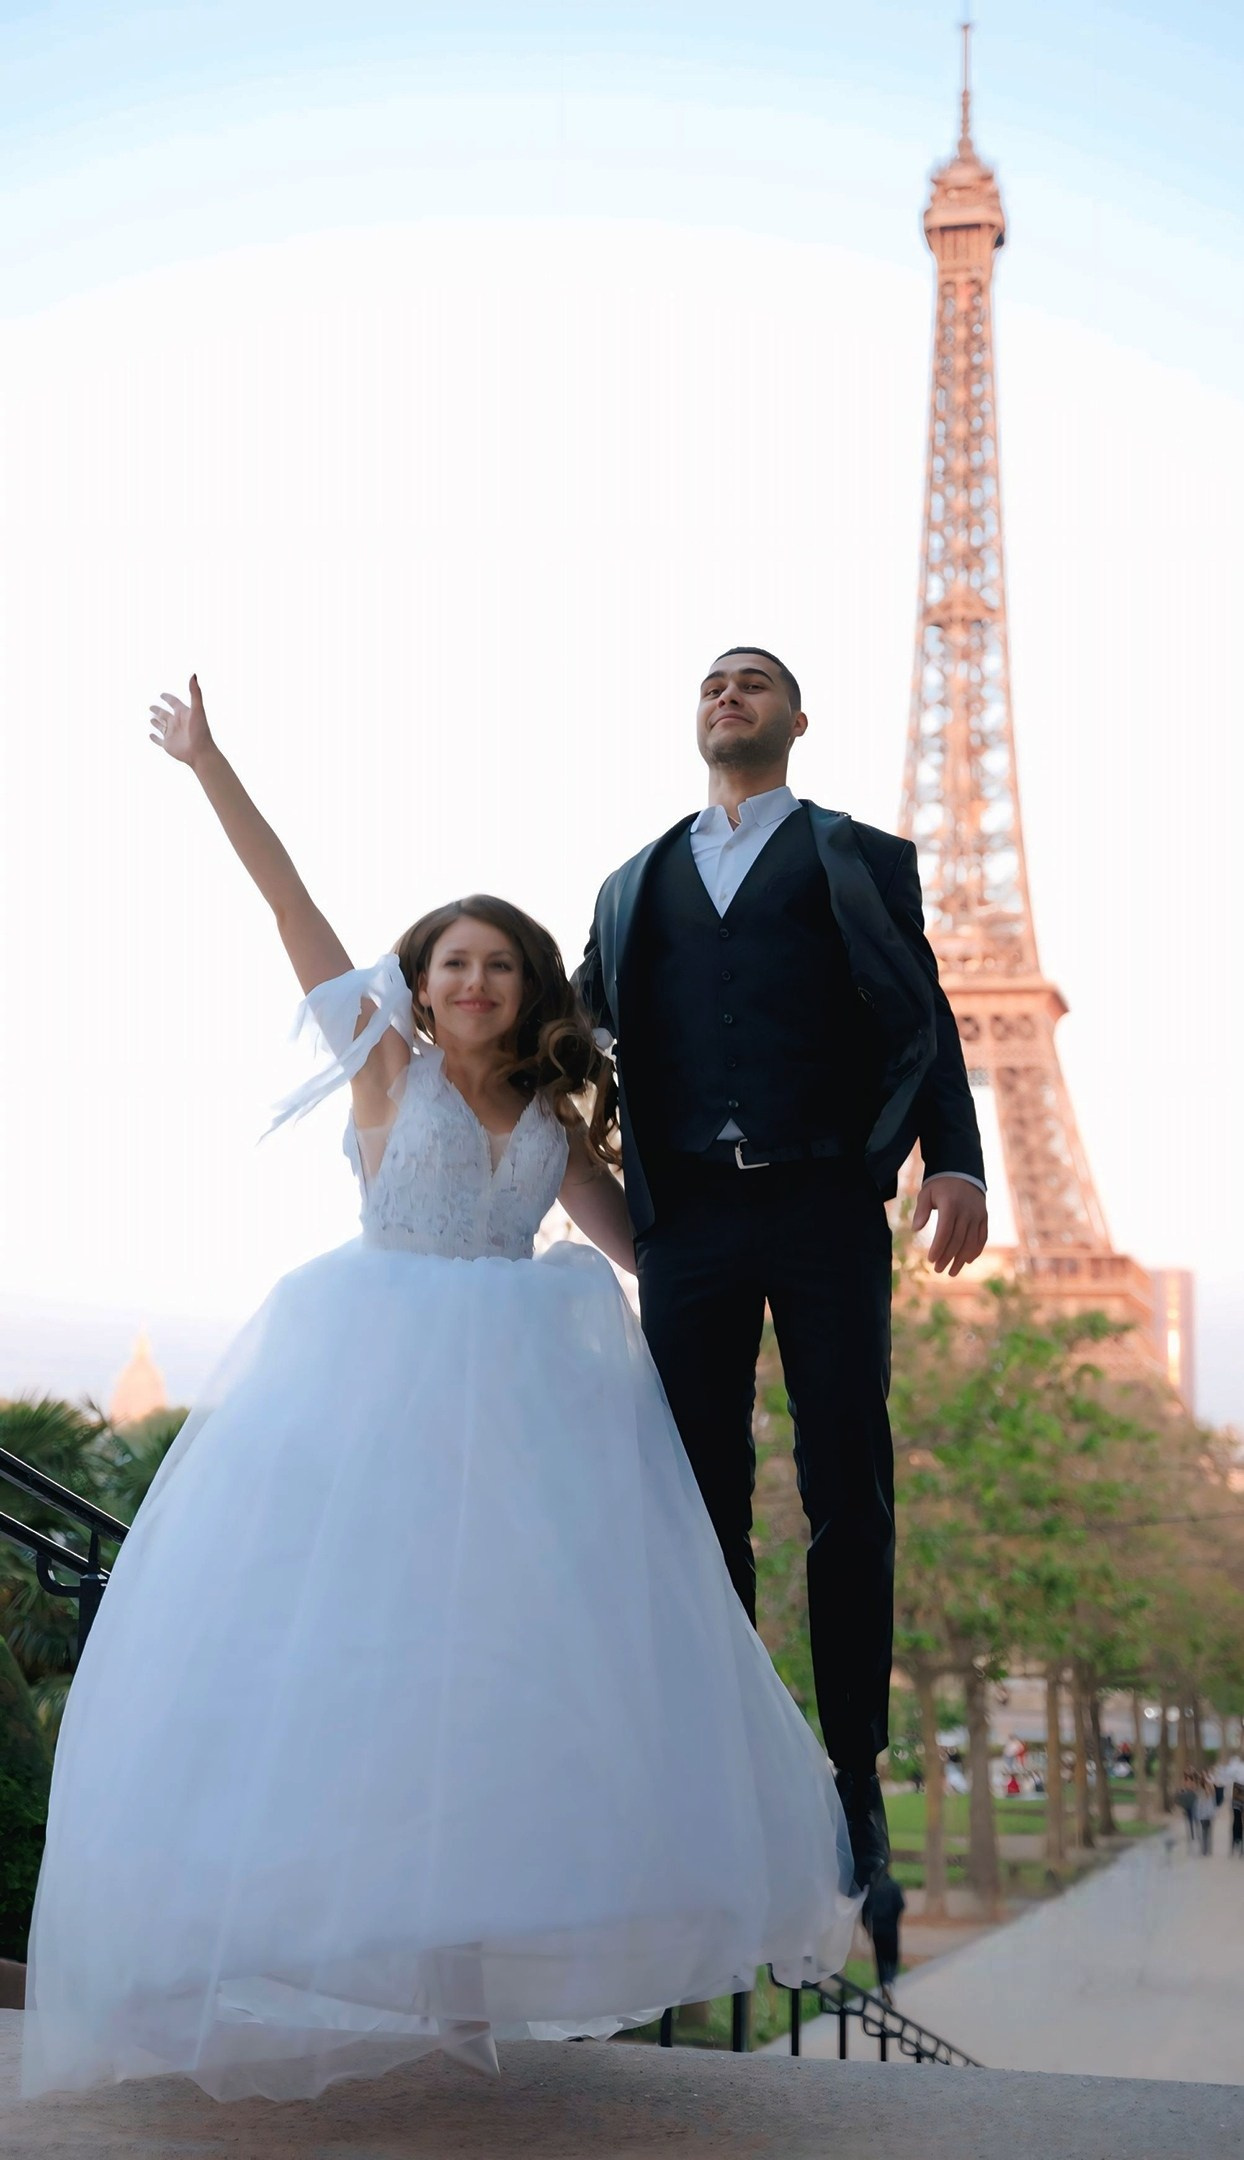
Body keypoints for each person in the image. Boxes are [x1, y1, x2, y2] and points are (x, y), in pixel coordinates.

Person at [22, 677, 859, 2104]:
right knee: (351, 1670)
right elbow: (289, 906)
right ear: (420, 982)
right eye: (453, 964)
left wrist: (802, 1230)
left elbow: (655, 1255)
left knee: (496, 1687)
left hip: (524, 1431)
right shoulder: (383, 1071)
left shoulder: (547, 1119)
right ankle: (322, 1943)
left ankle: (461, 1988)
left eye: (499, 968)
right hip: (370, 1403)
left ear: (529, 988)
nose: (474, 984)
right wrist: (213, 767)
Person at [577, 648, 987, 1931]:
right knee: (696, 1499)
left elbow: (920, 1010)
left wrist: (956, 1160)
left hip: (821, 1205)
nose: (728, 694)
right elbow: (571, 1035)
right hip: (687, 1218)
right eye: (712, 681)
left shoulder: (856, 854)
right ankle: (716, 1762)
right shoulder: (628, 882)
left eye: (754, 682)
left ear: (796, 720)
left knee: (845, 1483)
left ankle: (855, 1773)